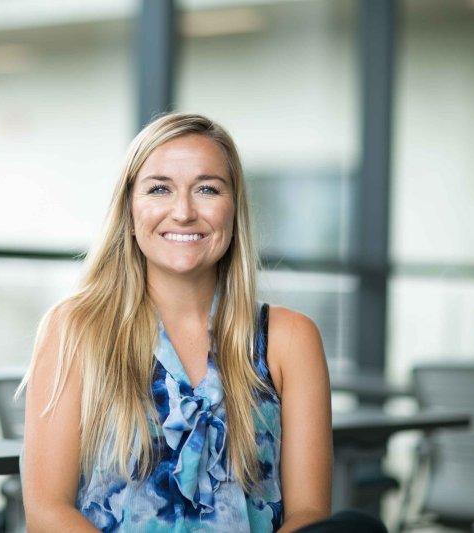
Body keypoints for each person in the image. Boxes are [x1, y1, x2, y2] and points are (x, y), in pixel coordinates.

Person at [19, 113, 354, 532]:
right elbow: (47, 511)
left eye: (207, 189)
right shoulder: (75, 330)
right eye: (159, 189)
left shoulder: (290, 339)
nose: (183, 212)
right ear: (129, 209)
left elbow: (309, 514)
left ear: (234, 208)